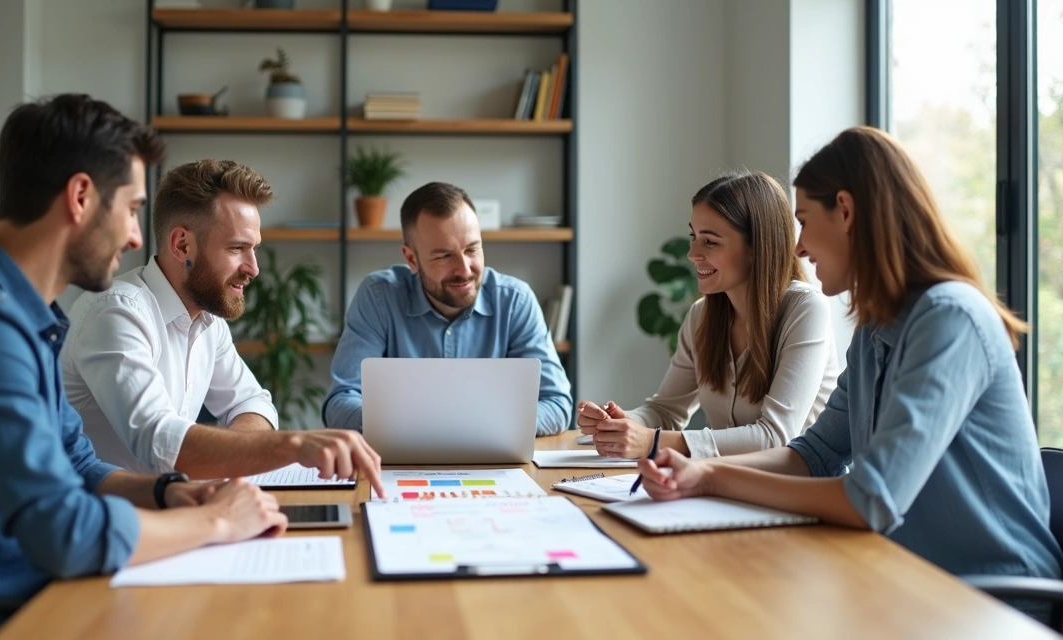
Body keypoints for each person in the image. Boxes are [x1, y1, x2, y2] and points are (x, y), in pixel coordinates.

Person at [0, 94, 287, 640]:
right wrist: (215, 521)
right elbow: (65, 530)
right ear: (81, 197)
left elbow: (78, 463)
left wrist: (169, 492)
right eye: (130, 209)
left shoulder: (18, 315)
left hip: (27, 600)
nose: (134, 236)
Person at [638, 127, 1063, 608]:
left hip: (993, 600)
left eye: (803, 221)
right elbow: (812, 455)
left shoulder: (950, 319)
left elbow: (871, 498)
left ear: (845, 210)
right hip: (909, 582)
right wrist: (699, 471)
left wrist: (711, 475)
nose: (797, 247)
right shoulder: (875, 328)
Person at [61, 159, 384, 497]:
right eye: (237, 248)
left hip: (172, 512)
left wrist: (233, 453)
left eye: (254, 248)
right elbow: (160, 444)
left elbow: (253, 403)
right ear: (182, 244)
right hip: (103, 524)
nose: (254, 268)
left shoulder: (206, 319)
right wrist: (293, 444)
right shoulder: (117, 312)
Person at [578, 171, 839, 460]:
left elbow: (775, 436)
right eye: (694, 236)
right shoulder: (700, 316)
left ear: (756, 248)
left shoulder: (805, 309)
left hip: (795, 494)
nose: (692, 253)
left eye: (710, 242)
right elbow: (666, 410)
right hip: (724, 488)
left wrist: (652, 441)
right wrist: (621, 423)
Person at [322, 181, 573, 435]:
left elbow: (557, 403)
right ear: (411, 259)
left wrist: (473, 429)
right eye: (444, 256)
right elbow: (340, 401)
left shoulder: (515, 301)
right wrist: (413, 429)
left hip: (495, 464)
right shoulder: (378, 297)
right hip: (403, 465)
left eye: (472, 249)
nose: (465, 270)